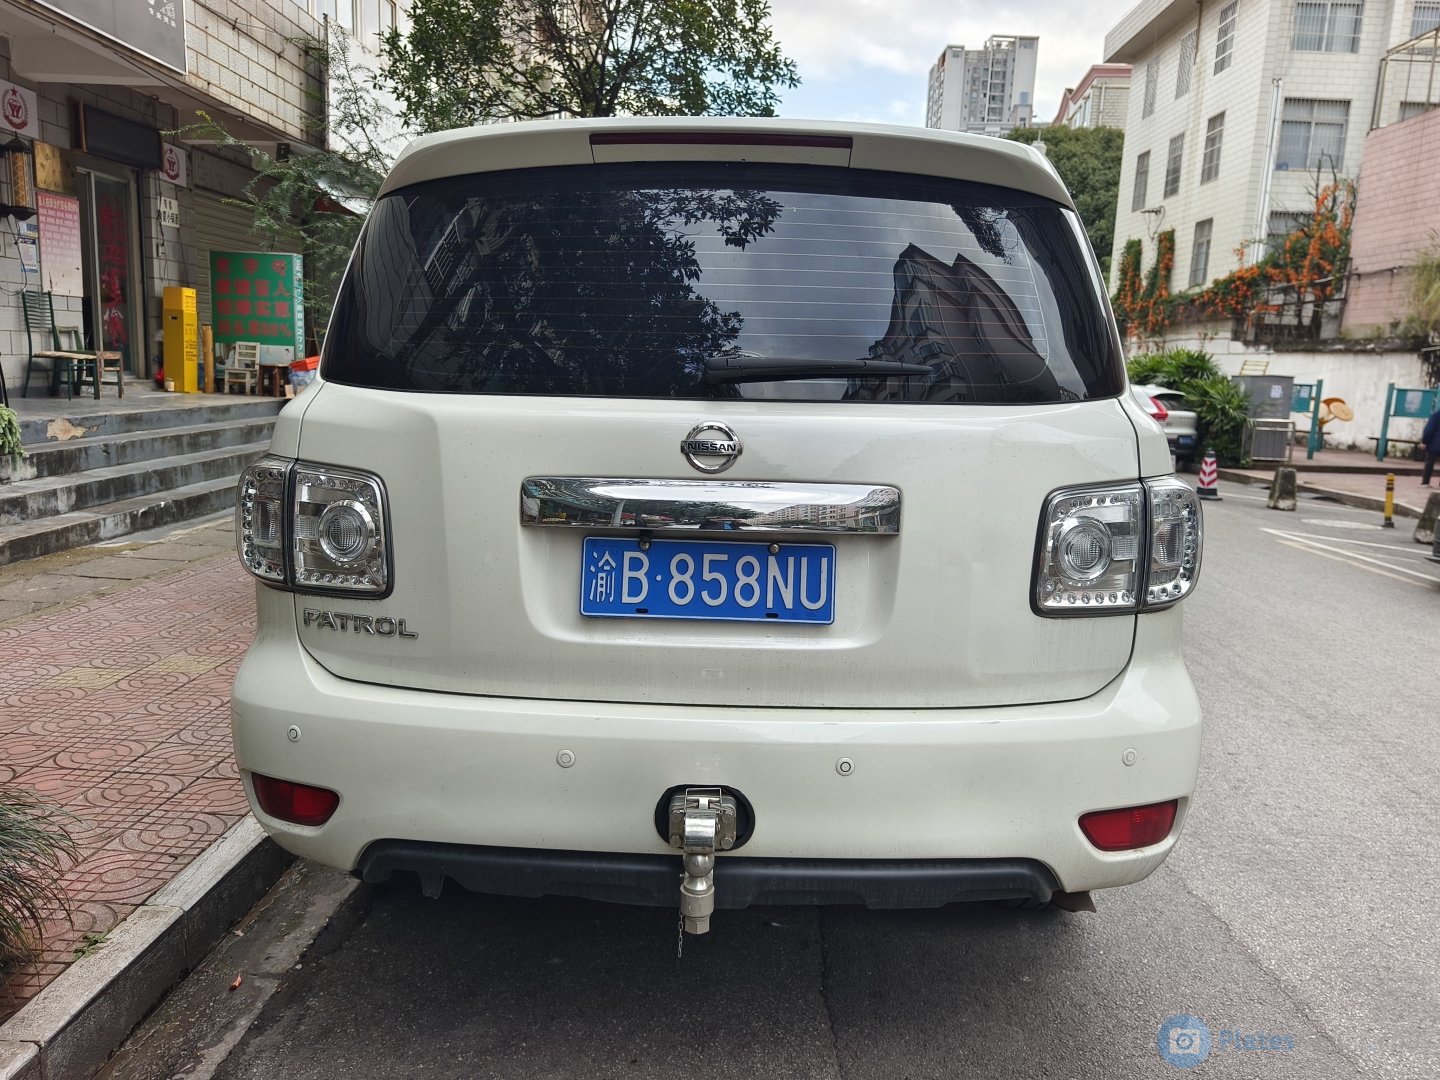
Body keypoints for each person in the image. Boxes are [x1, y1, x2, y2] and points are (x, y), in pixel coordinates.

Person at [1423, 404, 1440, 486]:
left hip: (1434, 444)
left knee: (1429, 463)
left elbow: (1429, 430)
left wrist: (1424, 441)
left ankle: (1425, 482)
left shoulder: (1436, 415)